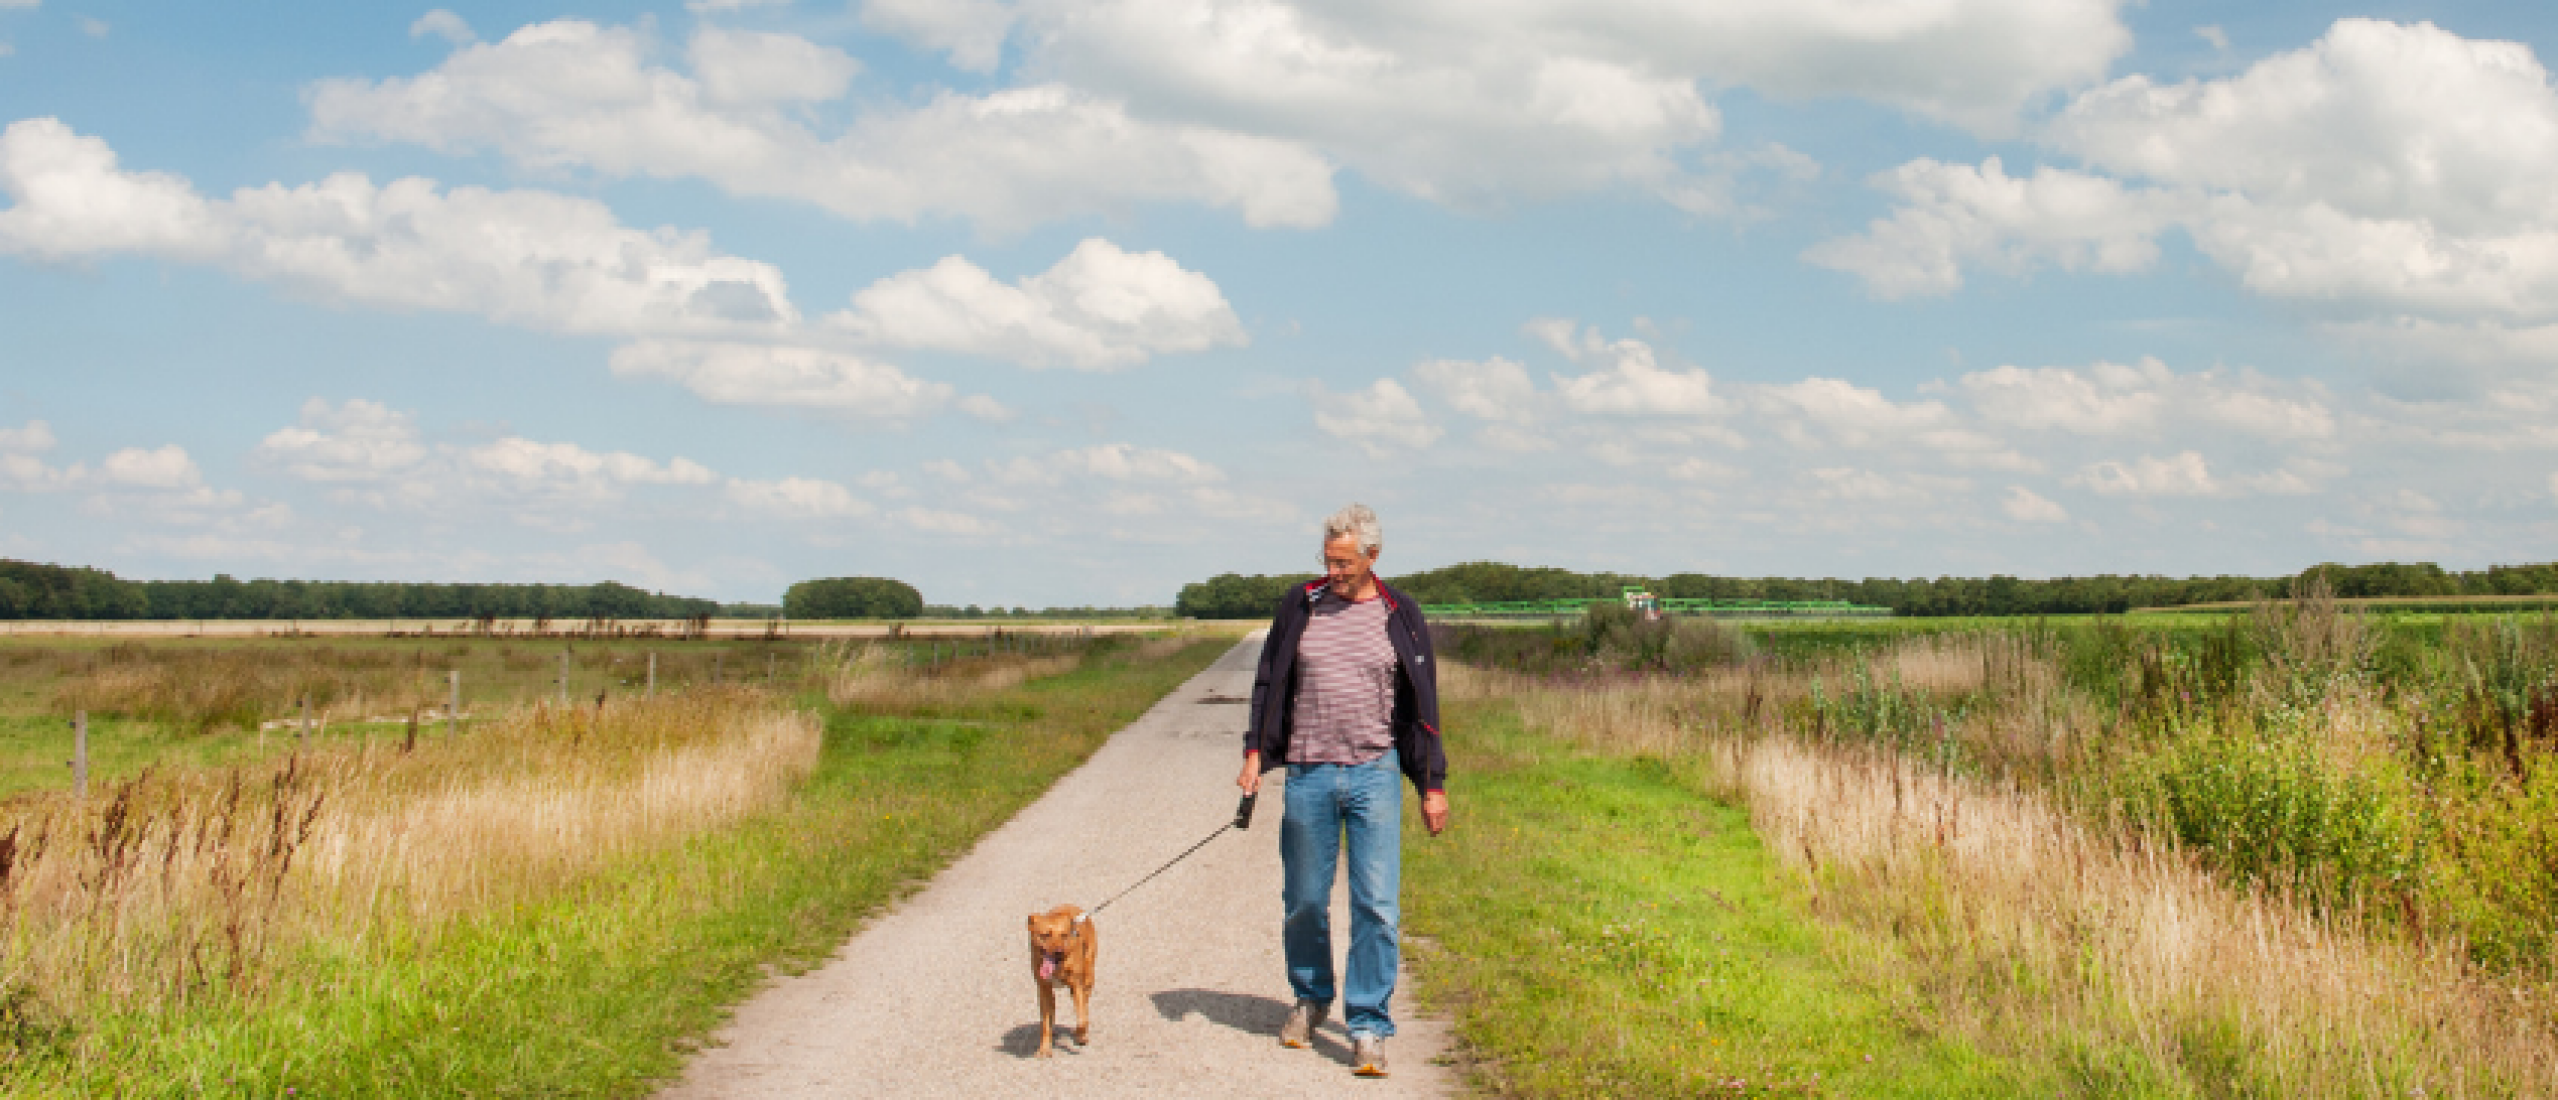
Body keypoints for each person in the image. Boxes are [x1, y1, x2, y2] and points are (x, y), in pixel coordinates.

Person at [1236, 503, 1450, 1079]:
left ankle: (1369, 1026)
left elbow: (1424, 707)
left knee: (1376, 905)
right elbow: (1267, 682)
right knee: (1304, 901)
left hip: (1374, 774)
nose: (1332, 571)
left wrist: (1432, 783)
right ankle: (1310, 999)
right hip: (1308, 774)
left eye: (1343, 562)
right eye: (1327, 560)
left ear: (1372, 558)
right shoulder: (1300, 605)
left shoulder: (1400, 613)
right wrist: (1256, 750)